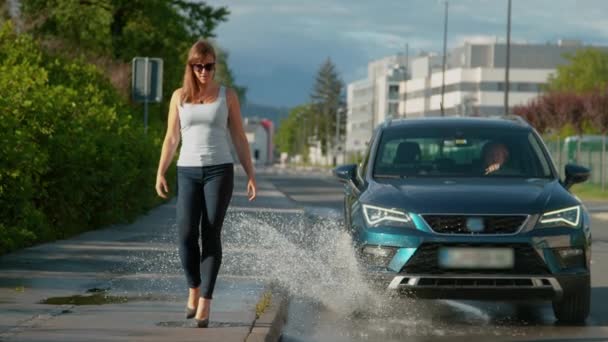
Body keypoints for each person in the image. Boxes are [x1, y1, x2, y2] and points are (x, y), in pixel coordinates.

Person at [155, 40, 257, 328]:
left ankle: (206, 303)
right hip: (187, 171)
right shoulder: (179, 97)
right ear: (191, 67)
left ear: (215, 66)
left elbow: (238, 137)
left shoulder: (228, 96)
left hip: (219, 172)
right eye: (198, 66)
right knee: (186, 233)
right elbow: (172, 137)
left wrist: (251, 174)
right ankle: (193, 288)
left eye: (209, 66)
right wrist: (160, 171)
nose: (204, 71)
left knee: (211, 232)